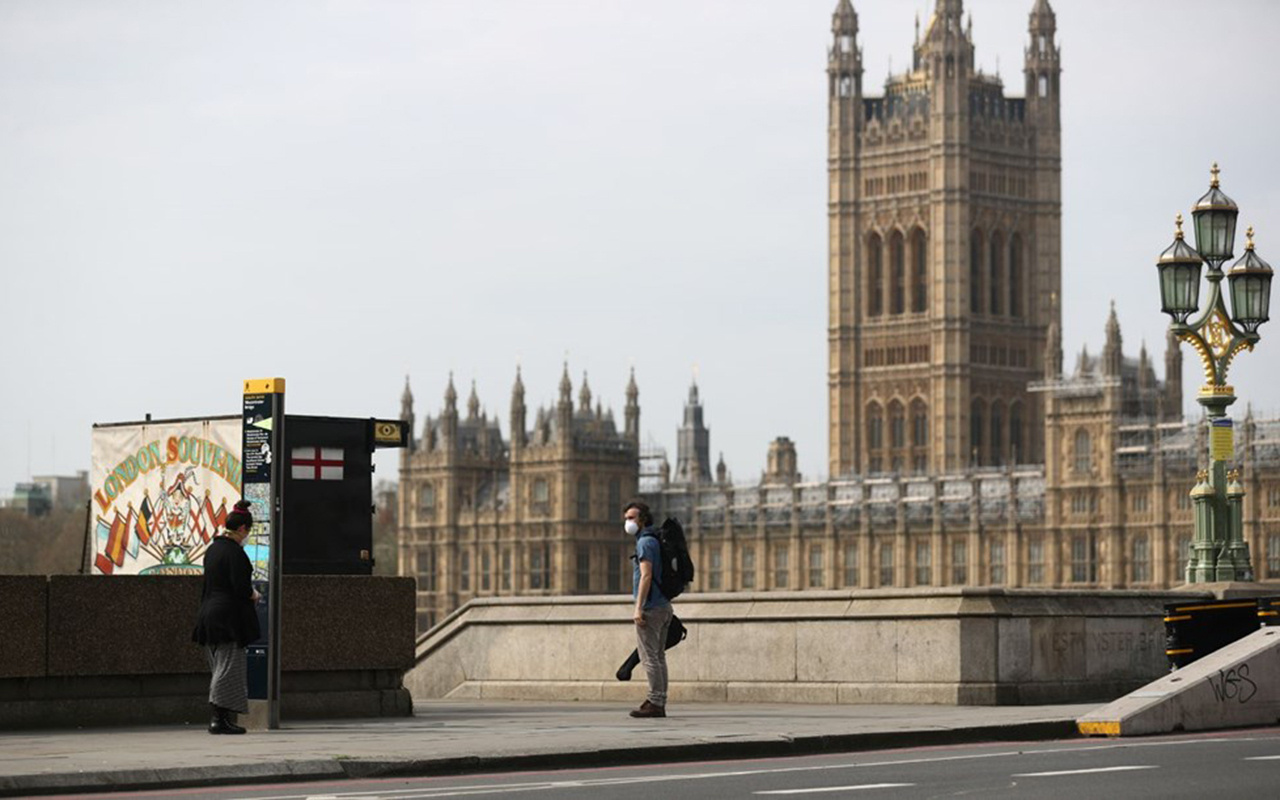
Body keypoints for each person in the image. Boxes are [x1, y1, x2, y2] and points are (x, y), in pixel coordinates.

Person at [192, 499, 261, 734]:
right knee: (228, 668)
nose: (248, 535)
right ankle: (218, 719)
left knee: (218, 666)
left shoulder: (213, 549)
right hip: (229, 618)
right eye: (248, 530)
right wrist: (254, 594)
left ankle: (222, 718)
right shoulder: (235, 553)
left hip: (208, 615)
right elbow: (241, 588)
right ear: (242, 529)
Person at [624, 500, 672, 718]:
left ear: (642, 520)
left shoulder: (644, 543)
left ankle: (655, 700)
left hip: (651, 607)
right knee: (659, 657)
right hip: (663, 605)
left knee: (649, 657)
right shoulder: (654, 539)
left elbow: (646, 575)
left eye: (631, 518)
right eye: (626, 518)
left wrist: (638, 607)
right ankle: (659, 700)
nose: (627, 522)